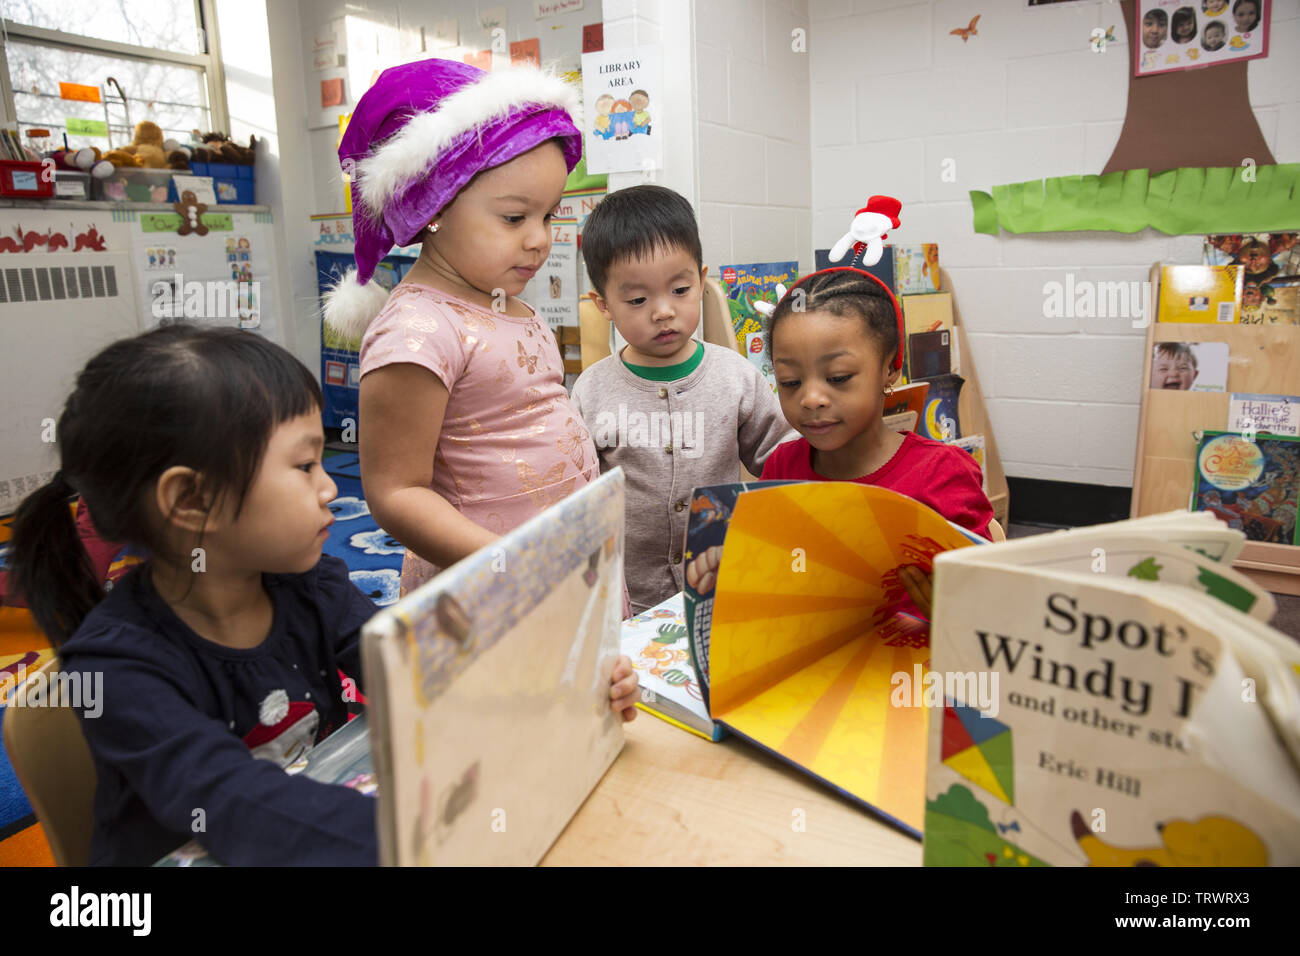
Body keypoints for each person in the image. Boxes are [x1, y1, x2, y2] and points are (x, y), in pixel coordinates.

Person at [322, 59, 638, 708]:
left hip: (560, 566)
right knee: (510, 740)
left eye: (549, 216)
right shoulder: (417, 331)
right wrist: (513, 563)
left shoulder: (506, 302)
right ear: (431, 206)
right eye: (514, 217)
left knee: (583, 715)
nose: (539, 241)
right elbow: (395, 492)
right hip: (493, 586)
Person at [5, 325, 380, 865]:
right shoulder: (116, 665)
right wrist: (403, 835)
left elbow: (401, 662)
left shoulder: (310, 584)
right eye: (304, 466)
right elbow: (234, 803)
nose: (330, 488)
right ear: (189, 499)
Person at [569, 185, 794, 613]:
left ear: (701, 280)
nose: (663, 311)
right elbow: (578, 499)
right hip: (629, 599)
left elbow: (783, 458)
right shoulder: (591, 390)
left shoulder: (735, 377)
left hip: (724, 583)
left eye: (680, 290)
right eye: (637, 299)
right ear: (603, 304)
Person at [759, 267, 994, 613]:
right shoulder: (782, 468)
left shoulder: (941, 474)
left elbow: (991, 598)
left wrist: (953, 608)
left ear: (891, 368)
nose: (810, 399)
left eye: (838, 377)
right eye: (790, 381)